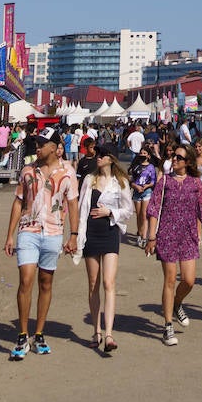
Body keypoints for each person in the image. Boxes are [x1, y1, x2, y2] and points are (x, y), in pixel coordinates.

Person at [3, 126, 80, 359]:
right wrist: (10, 234)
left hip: (54, 232)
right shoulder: (28, 171)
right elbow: (18, 202)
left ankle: (39, 333)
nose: (37, 146)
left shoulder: (68, 173)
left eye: (42, 143)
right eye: (36, 143)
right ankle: (22, 335)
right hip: (29, 230)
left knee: (46, 282)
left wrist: (74, 235)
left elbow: (73, 204)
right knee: (26, 280)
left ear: (56, 148)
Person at [145, 143, 202, 346]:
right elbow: (153, 209)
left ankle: (177, 303)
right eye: (173, 156)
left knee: (189, 280)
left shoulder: (195, 183)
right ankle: (168, 325)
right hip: (167, 236)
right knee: (169, 279)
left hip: (188, 236)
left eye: (178, 157)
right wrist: (151, 236)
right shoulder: (164, 182)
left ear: (188, 162)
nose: (174, 159)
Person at [76, 147, 133, 354]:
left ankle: (109, 333)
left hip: (110, 233)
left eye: (102, 155)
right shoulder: (89, 179)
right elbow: (81, 206)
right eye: (97, 155)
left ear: (111, 159)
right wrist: (75, 236)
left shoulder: (121, 182)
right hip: (90, 233)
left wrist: (110, 212)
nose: (98, 157)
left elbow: (128, 211)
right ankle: (96, 330)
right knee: (93, 283)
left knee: (109, 282)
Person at [129, 146, 157, 247]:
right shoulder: (136, 166)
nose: (142, 155)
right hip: (137, 192)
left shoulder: (151, 167)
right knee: (139, 214)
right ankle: (139, 233)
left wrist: (147, 186)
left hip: (147, 192)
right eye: (141, 153)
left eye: (145, 153)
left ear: (148, 156)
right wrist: (135, 186)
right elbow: (131, 180)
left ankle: (144, 237)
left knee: (145, 215)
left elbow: (153, 181)